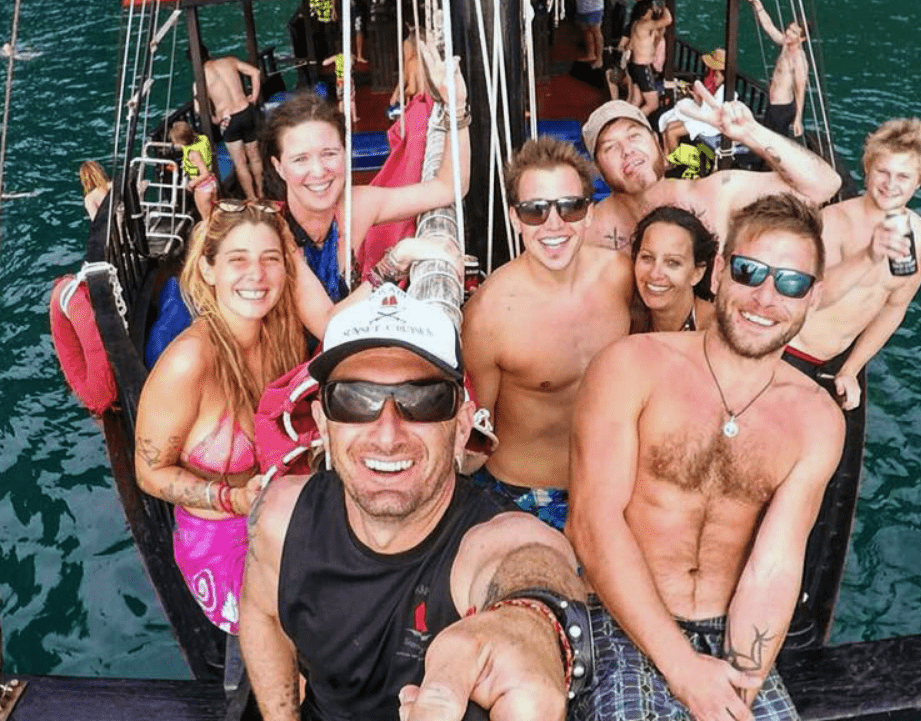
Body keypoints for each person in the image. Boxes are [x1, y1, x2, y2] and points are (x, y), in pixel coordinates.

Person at [239, 284, 591, 721]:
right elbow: (262, 616)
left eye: (423, 400)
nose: (388, 435)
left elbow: (534, 570)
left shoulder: (490, 539)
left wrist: (529, 626)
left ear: (462, 426)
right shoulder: (282, 517)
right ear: (324, 425)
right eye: (354, 399)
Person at [568, 193, 845, 721]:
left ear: (813, 295)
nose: (765, 298)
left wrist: (739, 690)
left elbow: (774, 567)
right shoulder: (631, 367)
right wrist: (685, 670)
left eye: (790, 282)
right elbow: (592, 522)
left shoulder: (816, 419)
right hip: (619, 612)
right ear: (718, 272)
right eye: (749, 272)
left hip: (733, 631)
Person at [134, 199, 308, 635]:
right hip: (219, 544)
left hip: (282, 515)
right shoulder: (188, 362)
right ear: (208, 270)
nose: (257, 275)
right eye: (238, 260)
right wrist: (232, 500)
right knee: (311, 616)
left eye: (271, 260)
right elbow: (149, 474)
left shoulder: (283, 334)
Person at [462, 138, 632, 530]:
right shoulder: (489, 317)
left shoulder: (619, 276)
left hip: (613, 484)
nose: (554, 225)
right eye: (535, 211)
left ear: (589, 214)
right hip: (527, 495)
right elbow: (476, 433)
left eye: (570, 207)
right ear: (514, 218)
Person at [262, 51, 469, 307]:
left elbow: (448, 187)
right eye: (300, 159)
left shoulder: (355, 207)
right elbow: (326, 324)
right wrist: (397, 258)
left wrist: (456, 108)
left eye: (329, 154)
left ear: (346, 154)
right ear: (279, 167)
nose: (318, 171)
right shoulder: (271, 234)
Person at [785, 117, 921, 410]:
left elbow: (895, 307)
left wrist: (851, 369)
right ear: (868, 169)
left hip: (838, 359)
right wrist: (868, 256)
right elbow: (810, 297)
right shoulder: (834, 221)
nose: (891, 184)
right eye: (883, 171)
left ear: (919, 182)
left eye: (904, 176)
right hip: (791, 349)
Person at [582, 89, 841, 252]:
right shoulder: (586, 229)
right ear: (597, 168)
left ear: (658, 142)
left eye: (634, 136)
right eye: (610, 148)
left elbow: (823, 187)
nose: (627, 151)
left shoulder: (712, 195)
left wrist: (750, 133)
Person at [629, 205, 718, 334]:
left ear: (697, 273)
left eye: (672, 263)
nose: (654, 274)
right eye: (647, 258)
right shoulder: (626, 318)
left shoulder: (715, 330)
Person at [198, 45, 266, 200]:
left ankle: (252, 197)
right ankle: (261, 191)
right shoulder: (229, 61)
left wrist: (214, 118)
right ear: (209, 53)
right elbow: (255, 72)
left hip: (228, 119)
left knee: (240, 162)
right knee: (254, 156)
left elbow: (199, 108)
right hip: (246, 111)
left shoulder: (201, 79)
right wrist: (253, 97)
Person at [745, 0, 809, 138]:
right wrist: (757, 2)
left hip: (782, 109)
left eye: (794, 33)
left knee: (774, 149)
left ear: (802, 39)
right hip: (772, 105)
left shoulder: (799, 59)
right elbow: (769, 26)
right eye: (789, 29)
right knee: (766, 143)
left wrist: (798, 119)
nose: (788, 33)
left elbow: (800, 90)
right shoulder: (785, 45)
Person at [658, 48, 726, 155]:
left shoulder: (725, 92)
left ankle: (674, 162)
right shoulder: (713, 85)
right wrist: (696, 96)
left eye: (716, 76)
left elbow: (715, 109)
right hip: (702, 116)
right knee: (669, 126)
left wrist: (702, 94)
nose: (714, 78)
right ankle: (667, 155)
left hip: (711, 123)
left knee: (672, 132)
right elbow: (703, 105)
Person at [623, 0, 672, 116]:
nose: (655, 10)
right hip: (642, 68)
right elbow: (668, 20)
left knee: (636, 101)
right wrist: (665, 7)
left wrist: (659, 13)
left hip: (635, 66)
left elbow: (658, 35)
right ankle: (633, 120)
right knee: (652, 104)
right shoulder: (645, 24)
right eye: (653, 7)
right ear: (648, 10)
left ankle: (623, 117)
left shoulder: (637, 23)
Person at [169, 120, 217, 219]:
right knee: (216, 214)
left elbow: (205, 173)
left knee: (207, 219)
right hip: (212, 183)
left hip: (202, 187)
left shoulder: (193, 154)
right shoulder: (202, 139)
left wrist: (191, 184)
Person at [574, 0, 605, 70]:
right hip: (581, 4)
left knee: (596, 31)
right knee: (586, 30)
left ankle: (600, 58)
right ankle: (590, 54)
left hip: (594, 4)